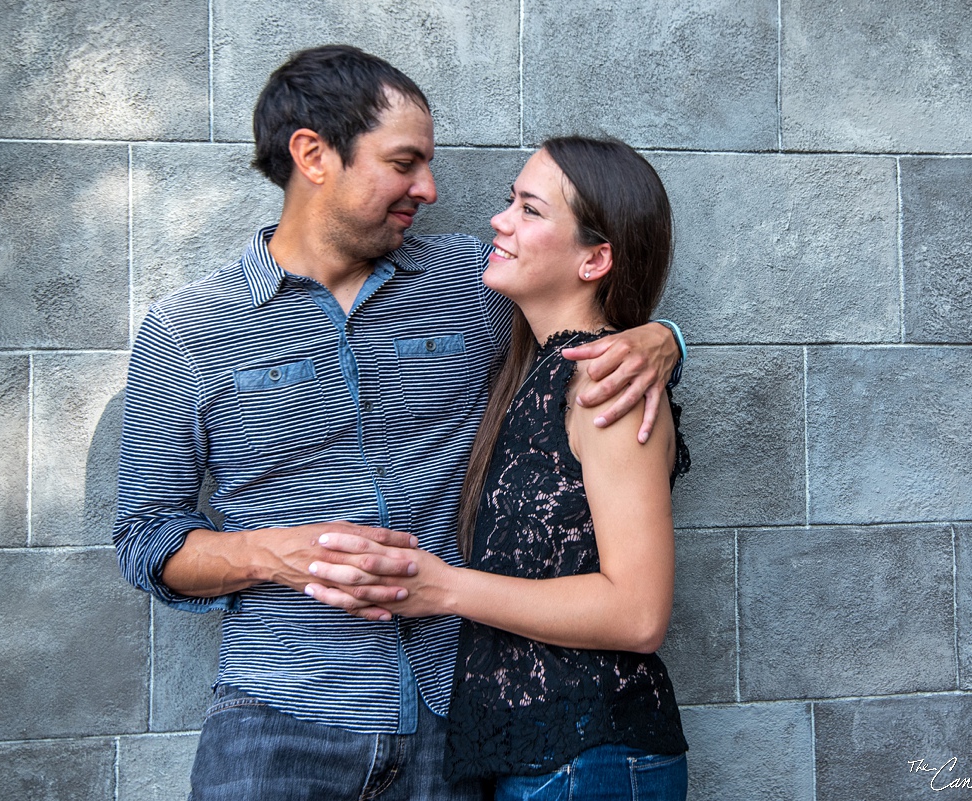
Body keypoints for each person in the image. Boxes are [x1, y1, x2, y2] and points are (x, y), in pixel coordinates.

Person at [111, 46, 683, 801]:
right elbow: (145, 534)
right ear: (313, 154)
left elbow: (585, 296)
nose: (432, 189)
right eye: (405, 162)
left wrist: (662, 337)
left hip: (456, 720)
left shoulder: (470, 284)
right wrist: (272, 554)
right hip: (279, 713)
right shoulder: (186, 331)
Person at [308, 137, 689, 800]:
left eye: (530, 210)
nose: (499, 221)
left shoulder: (605, 386)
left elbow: (637, 610)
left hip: (588, 755)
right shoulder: (539, 374)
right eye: (508, 200)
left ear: (596, 257)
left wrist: (443, 588)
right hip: (538, 758)